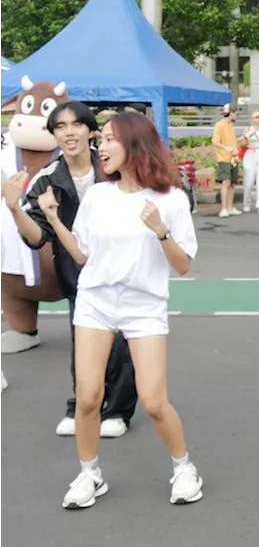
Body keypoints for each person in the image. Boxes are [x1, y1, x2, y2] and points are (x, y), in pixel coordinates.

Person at [40, 112, 201, 509]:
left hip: (143, 305)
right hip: (95, 301)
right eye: (103, 139)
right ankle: (89, 474)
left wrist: (160, 230)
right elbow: (82, 254)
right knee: (88, 397)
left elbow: (182, 265)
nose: (102, 146)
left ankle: (184, 468)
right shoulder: (98, 195)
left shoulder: (172, 200)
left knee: (153, 401)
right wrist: (52, 219)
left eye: (109, 139)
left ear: (134, 144)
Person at [3, 101, 137, 438]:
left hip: (124, 274)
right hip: (79, 278)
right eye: (60, 127)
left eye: (76, 125)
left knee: (121, 346)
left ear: (92, 131)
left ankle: (117, 412)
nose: (69, 132)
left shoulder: (114, 169)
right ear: (53, 135)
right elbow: (37, 238)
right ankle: (81, 406)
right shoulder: (47, 179)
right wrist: (14, 208)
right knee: (84, 344)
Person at [211, 105, 241, 219]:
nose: (236, 115)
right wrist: (225, 147)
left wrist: (245, 137)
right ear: (231, 113)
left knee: (232, 184)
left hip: (233, 158)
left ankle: (229, 207)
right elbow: (214, 141)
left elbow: (233, 141)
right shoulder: (219, 125)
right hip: (224, 158)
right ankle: (223, 209)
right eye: (236, 113)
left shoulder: (230, 125)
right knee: (226, 183)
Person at [240, 110, 259, 215]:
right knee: (248, 180)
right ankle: (246, 203)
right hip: (250, 154)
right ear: (252, 119)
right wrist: (248, 141)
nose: (258, 119)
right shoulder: (247, 129)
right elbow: (241, 143)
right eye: (256, 117)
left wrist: (257, 137)